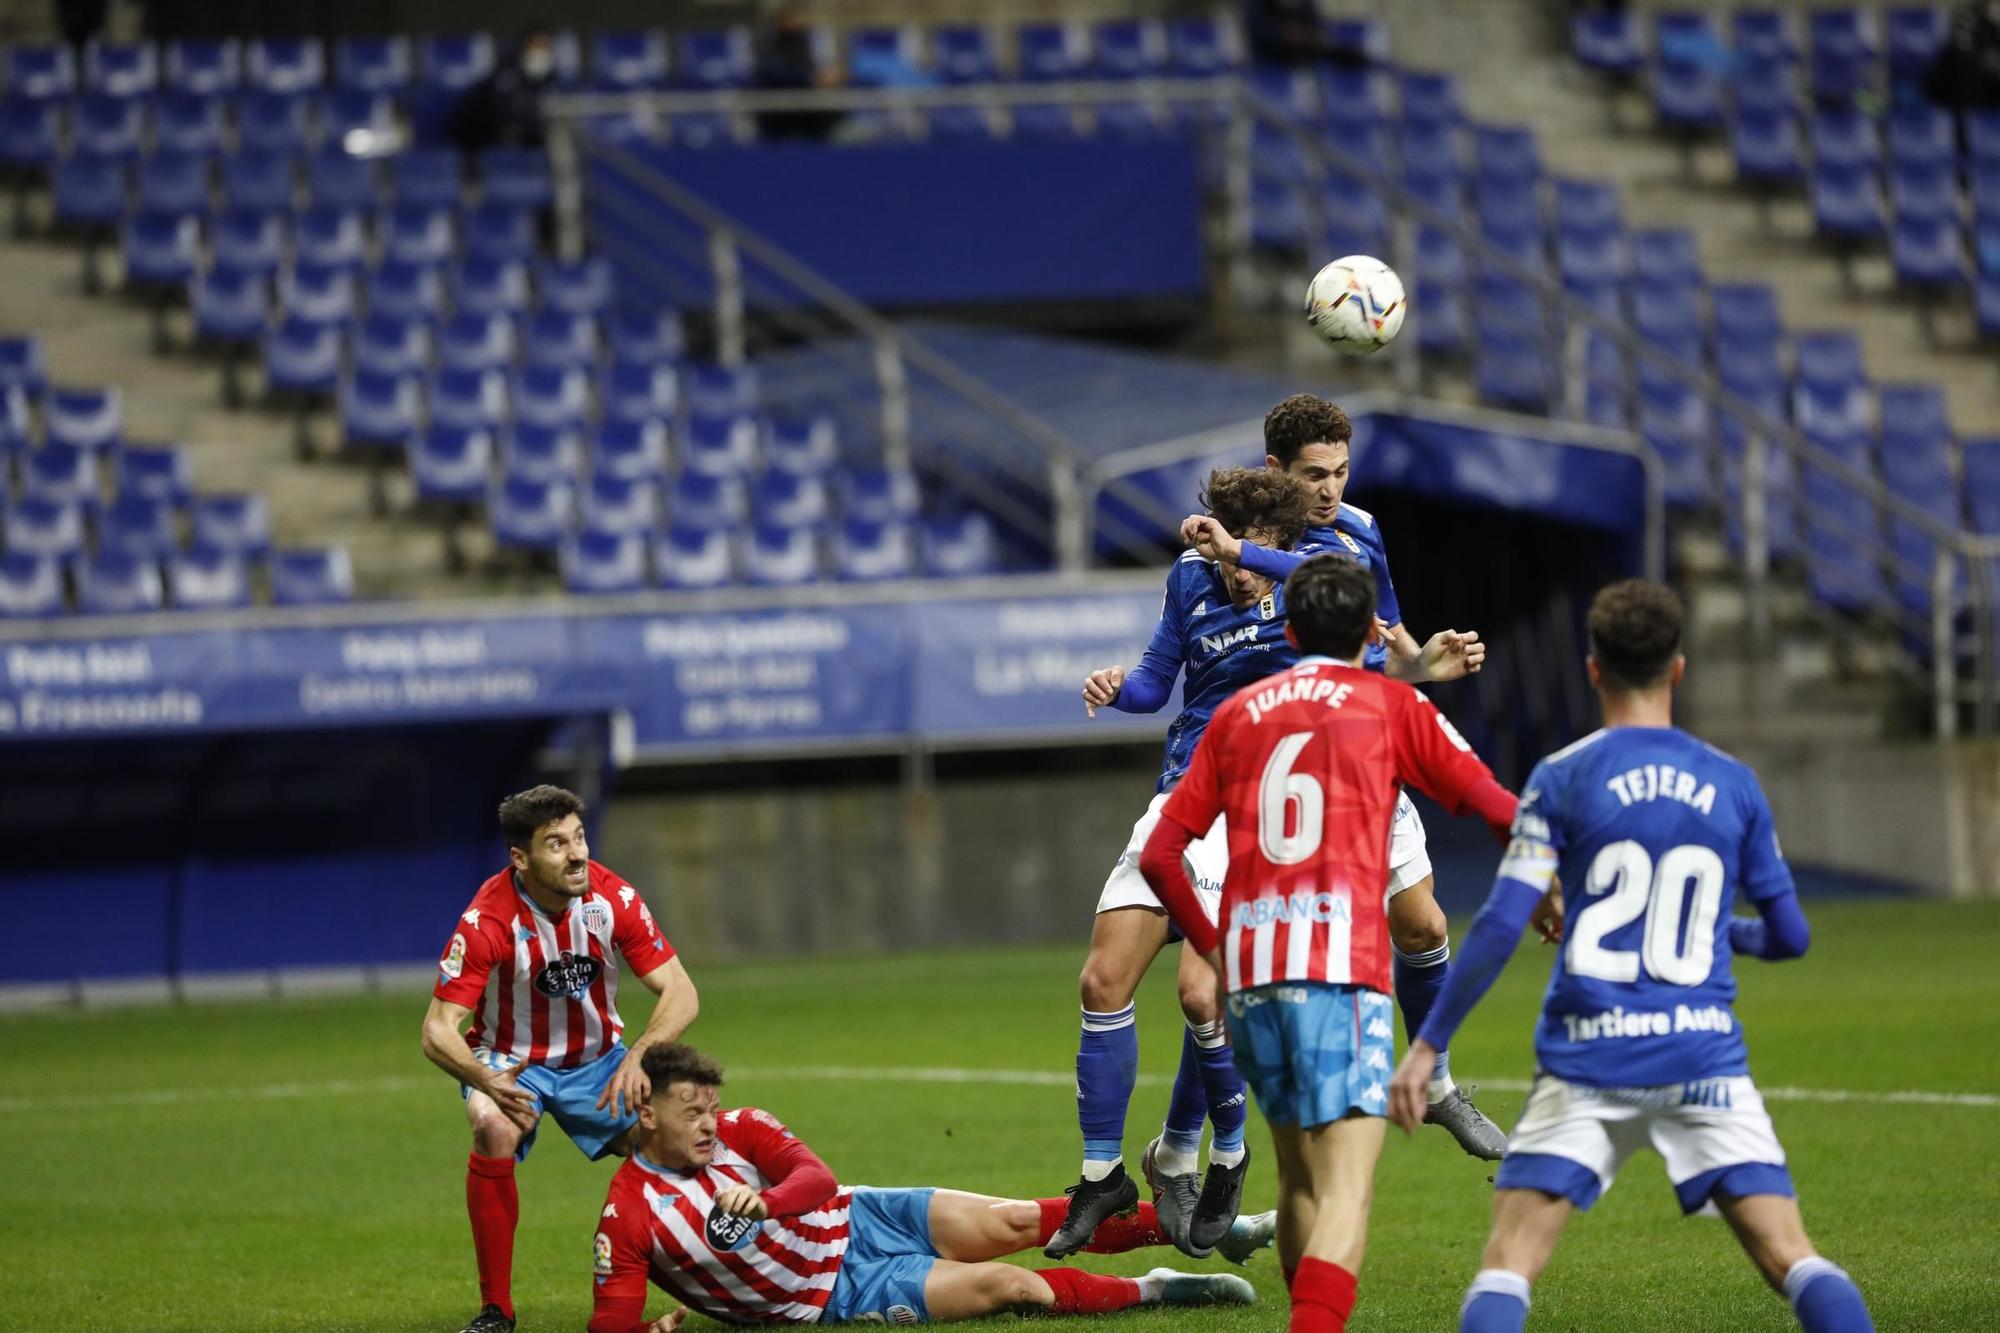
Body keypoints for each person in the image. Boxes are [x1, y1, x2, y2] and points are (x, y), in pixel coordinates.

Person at [1385, 580, 1876, 1333]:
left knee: (1509, 1263)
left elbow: (1499, 923)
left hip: (1587, 1058)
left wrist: (1427, 1045)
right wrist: (1721, 934)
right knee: (1792, 1256)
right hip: (1703, 1059)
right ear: (1678, 668)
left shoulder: (1562, 777)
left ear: (1592, 669)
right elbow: (1791, 937)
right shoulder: (1733, 783)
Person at [1140, 554, 1521, 1333]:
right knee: (1348, 1188)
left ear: (1287, 629)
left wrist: (1213, 946)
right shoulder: (1387, 703)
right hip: (1336, 975)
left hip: (1251, 985)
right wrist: (1548, 876)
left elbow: (1160, 854)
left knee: (1298, 1179)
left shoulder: (1239, 712)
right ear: (1373, 633)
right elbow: (1493, 803)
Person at [1181, 393, 1507, 1159]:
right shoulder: (1250, 545)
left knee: (1424, 923)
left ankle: (1435, 1079)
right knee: (1220, 986)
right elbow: (1300, 574)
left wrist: (1428, 662)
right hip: (1282, 775)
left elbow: (1389, 643)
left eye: (1341, 471)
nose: (1329, 489)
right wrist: (1234, 551)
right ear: (1275, 470)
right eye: (1312, 474)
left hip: (1362, 753)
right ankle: (1196, 1146)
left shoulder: (1360, 530)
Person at [1055, 467, 1314, 1261]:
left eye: (1257, 545)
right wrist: (1117, 686)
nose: (1239, 563)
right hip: (1181, 798)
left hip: (1256, 812)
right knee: (1101, 981)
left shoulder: (1305, 587)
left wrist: (1249, 552)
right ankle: (1103, 1176)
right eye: (1233, 541)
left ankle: (1228, 1153)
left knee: (1202, 992)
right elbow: (1155, 682)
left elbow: (1341, 585)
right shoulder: (1190, 578)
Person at [586, 1043, 1272, 1330]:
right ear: (647, 1112)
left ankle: (1199, 1224)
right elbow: (609, 1322)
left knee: (1014, 1217)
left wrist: (766, 1202)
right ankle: (1160, 1287)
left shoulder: (741, 1127)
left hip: (861, 1215)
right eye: (691, 1112)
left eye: (711, 1107)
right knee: (1012, 1285)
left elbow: (816, 1178)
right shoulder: (629, 1217)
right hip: (834, 1294)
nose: (709, 1123)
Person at [421, 784, 701, 1333]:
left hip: (599, 1061)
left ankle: (719, 1287)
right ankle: (496, 1312)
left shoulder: (611, 899)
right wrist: (486, 1080)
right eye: (556, 844)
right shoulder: (487, 921)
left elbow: (682, 992)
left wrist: (640, 1056)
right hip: (509, 1060)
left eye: (578, 837)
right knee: (492, 1129)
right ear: (520, 859)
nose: (577, 853)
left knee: (670, 1148)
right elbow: (437, 1029)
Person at [449, 27, 561, 156]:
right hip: (493, 152)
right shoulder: (499, 80)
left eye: (547, 47)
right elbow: (470, 121)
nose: (543, 52)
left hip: (535, 151)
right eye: (537, 46)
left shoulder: (555, 83)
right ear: (523, 48)